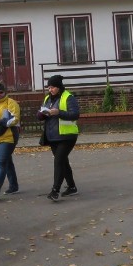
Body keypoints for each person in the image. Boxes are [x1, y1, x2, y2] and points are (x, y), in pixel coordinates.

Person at [38, 74, 80, 202]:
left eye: (52, 87)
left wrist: (59, 112)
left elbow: (75, 114)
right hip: (53, 136)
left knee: (58, 162)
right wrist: (41, 114)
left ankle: (55, 190)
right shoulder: (47, 99)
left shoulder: (68, 97)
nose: (50, 90)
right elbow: (39, 114)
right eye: (49, 87)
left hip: (67, 136)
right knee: (63, 162)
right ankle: (72, 187)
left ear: (59, 87)